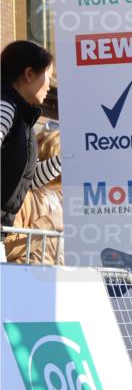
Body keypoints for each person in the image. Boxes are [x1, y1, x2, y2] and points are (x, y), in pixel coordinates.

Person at [1, 41, 60, 231]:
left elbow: (29, 179)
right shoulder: (6, 107)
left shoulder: (24, 120)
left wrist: (63, 160)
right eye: (48, 79)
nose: (50, 87)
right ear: (29, 74)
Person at [3, 129, 63, 264]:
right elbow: (7, 247)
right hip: (28, 279)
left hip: (62, 279)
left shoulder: (60, 197)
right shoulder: (22, 195)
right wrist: (49, 223)